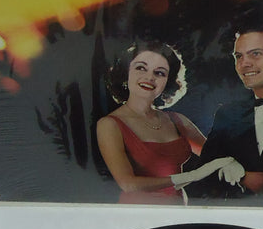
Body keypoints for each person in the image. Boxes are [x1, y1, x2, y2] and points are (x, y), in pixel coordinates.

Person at [96, 38, 236, 204]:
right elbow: (128, 184)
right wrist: (191, 176)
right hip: (136, 213)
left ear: (168, 82)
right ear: (126, 73)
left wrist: (232, 163)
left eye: (159, 73)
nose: (150, 77)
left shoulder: (177, 120)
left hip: (179, 210)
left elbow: (215, 156)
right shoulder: (109, 124)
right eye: (141, 68)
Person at [183, 25, 263, 198]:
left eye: (255, 53)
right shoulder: (227, 114)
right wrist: (241, 177)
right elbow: (202, 181)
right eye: (238, 56)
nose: (244, 64)